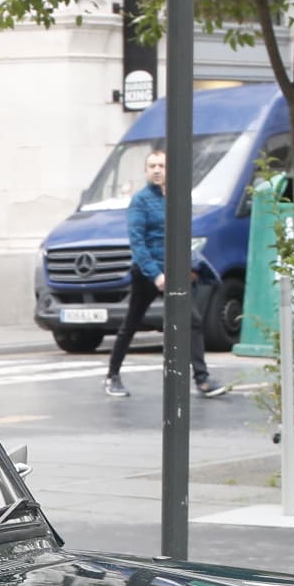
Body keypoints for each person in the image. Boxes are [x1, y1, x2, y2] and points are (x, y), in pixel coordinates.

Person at [105, 147, 227, 401]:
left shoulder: (177, 197)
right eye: (152, 166)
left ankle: (202, 379)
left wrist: (190, 267)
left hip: (175, 271)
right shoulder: (141, 201)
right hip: (148, 274)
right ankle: (112, 375)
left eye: (162, 166)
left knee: (192, 321)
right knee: (131, 323)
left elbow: (182, 236)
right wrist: (155, 275)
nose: (158, 170)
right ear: (146, 171)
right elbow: (137, 243)